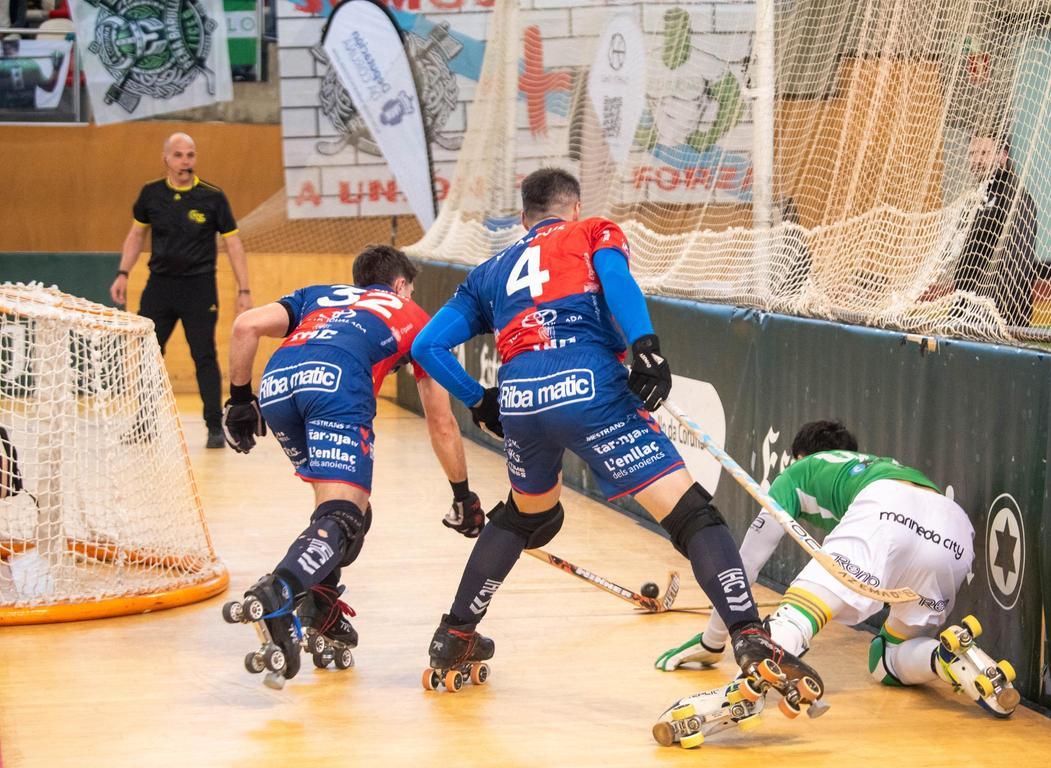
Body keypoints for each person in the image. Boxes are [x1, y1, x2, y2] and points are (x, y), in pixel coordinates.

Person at [408, 167, 822, 705]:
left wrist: (480, 399)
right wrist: (646, 344)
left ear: (524, 217)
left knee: (524, 515)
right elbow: (617, 279)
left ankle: (455, 634)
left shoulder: (487, 271)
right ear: (572, 207)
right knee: (692, 514)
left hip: (520, 394)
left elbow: (426, 347)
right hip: (587, 382)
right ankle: (748, 634)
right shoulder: (592, 230)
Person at [220, 244, 486, 687]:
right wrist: (463, 495)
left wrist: (239, 401)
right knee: (343, 515)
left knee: (344, 512)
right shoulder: (412, 314)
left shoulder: (318, 295)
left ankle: (320, 607)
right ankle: (282, 589)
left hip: (278, 383)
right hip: (337, 384)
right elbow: (441, 422)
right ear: (401, 285)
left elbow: (246, 326)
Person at [654, 421, 1019, 738]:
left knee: (795, 619)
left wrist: (715, 640)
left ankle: (740, 695)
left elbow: (745, 561)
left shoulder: (798, 472)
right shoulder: (875, 467)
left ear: (798, 456)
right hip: (953, 530)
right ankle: (947, 658)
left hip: (886, 510)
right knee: (885, 659)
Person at [110, 132, 251, 449]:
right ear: (166, 159)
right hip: (159, 286)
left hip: (199, 288)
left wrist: (244, 289)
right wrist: (122, 273)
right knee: (149, 356)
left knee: (204, 356)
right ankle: (145, 424)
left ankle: (214, 426)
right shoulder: (151, 195)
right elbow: (135, 236)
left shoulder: (212, 197)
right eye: (179, 155)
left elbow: (234, 244)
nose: (185, 161)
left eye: (190, 155)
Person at [953, 134, 1039, 328]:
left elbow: (1016, 263)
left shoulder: (1016, 198)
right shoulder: (976, 197)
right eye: (973, 153)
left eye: (984, 153)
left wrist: (994, 316)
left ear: (1002, 156)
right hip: (969, 314)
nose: (977, 160)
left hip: (1000, 319)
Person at [0, 35, 65, 109]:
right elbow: (49, 88)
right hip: (28, 113)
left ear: (3, 47)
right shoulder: (31, 65)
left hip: (5, 114)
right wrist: (56, 68)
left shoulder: (2, 66)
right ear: (19, 46)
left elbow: (49, 88)